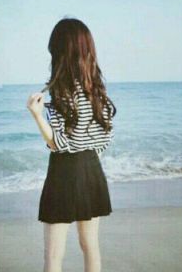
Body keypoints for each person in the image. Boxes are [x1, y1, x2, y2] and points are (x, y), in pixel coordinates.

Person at [27, 17, 117, 272]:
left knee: (54, 256)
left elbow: (59, 143)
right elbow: (104, 140)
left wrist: (36, 115)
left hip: (64, 173)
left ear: (61, 53)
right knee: (91, 247)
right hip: (92, 171)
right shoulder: (97, 91)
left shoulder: (62, 92)